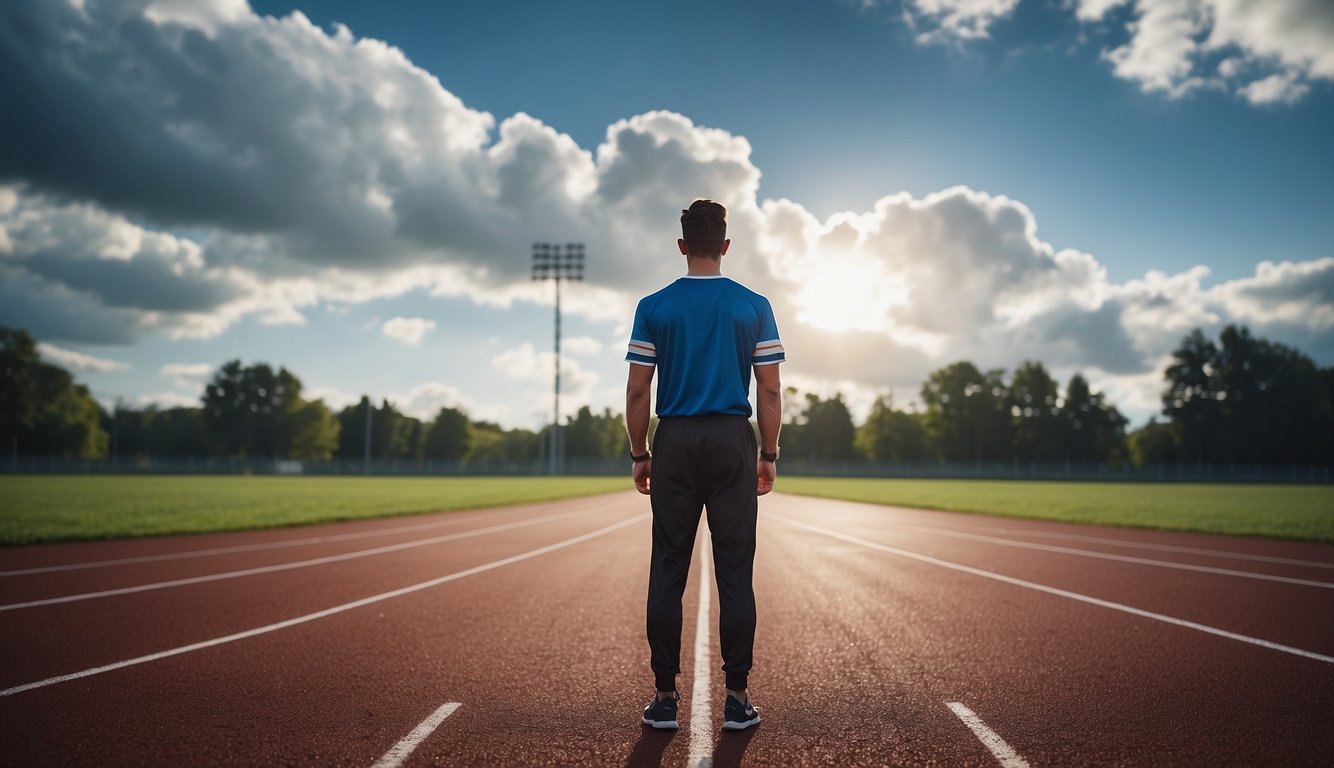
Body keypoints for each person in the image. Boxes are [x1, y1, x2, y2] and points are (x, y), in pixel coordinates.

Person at [625, 198, 784, 732]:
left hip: (674, 439)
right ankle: (737, 699)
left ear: (681, 245)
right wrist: (768, 454)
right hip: (732, 438)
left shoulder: (654, 306)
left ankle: (665, 698)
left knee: (668, 568)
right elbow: (769, 387)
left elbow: (637, 389)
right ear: (725, 245)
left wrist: (639, 453)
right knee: (735, 571)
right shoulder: (753, 305)